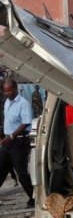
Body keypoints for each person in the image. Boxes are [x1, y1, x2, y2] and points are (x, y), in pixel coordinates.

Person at [0, 80, 34, 208]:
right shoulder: (7, 102)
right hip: (7, 142)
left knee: (22, 173)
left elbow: (25, 122)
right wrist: (3, 133)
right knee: (1, 168)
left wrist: (12, 136)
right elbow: (6, 119)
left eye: (9, 90)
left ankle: (33, 198)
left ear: (15, 89)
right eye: (5, 91)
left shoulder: (23, 103)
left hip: (19, 142)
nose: (7, 93)